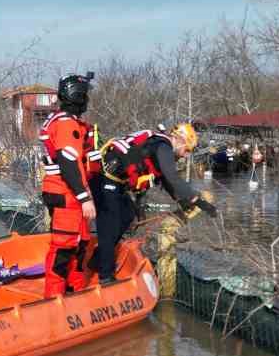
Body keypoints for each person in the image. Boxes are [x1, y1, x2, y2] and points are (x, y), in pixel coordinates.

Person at [92, 121, 217, 283]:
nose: (186, 155)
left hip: (116, 183)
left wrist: (181, 201)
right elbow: (172, 177)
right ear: (178, 139)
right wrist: (199, 201)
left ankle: (98, 259)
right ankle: (105, 276)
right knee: (111, 223)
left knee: (128, 216)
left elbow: (164, 180)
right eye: (186, 149)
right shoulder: (163, 146)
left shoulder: (157, 146)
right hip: (104, 180)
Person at [38, 73, 96, 298]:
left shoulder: (68, 122)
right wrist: (84, 197)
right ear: (78, 95)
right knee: (64, 247)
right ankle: (54, 296)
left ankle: (74, 287)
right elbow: (68, 161)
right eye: (85, 95)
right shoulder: (65, 124)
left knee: (80, 243)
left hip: (68, 191)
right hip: (65, 191)